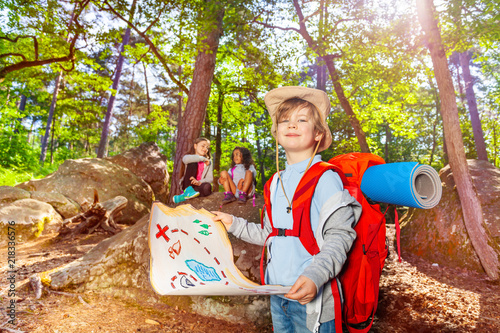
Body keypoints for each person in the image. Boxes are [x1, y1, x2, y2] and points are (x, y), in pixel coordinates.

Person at [212, 86, 362, 332]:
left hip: (312, 300)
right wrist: (233, 223)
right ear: (277, 131)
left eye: (301, 120)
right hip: (277, 292)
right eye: (285, 120)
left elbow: (341, 236)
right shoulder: (274, 183)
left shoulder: (325, 178)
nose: (291, 125)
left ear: (317, 134)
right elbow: (271, 234)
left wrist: (316, 276)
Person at [173, 137, 214, 204]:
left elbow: (210, 178)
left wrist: (199, 182)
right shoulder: (189, 157)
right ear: (195, 146)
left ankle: (184, 197)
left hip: (198, 186)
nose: (205, 149)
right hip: (188, 184)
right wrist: (203, 159)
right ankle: (188, 191)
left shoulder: (209, 162)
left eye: (207, 147)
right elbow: (185, 159)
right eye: (203, 146)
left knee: (207, 187)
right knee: (193, 163)